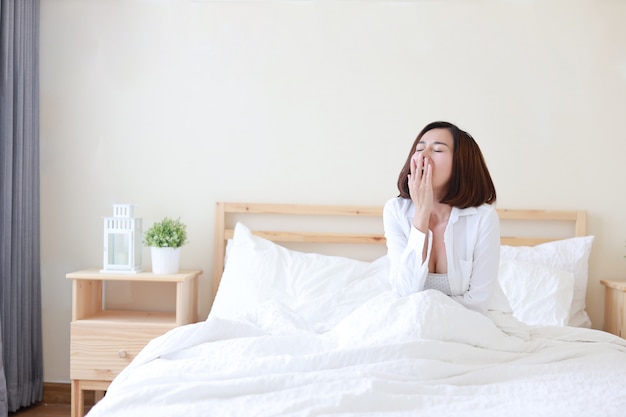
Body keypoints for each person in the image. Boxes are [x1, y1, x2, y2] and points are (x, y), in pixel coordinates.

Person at [383, 121, 510, 313]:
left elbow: (478, 302)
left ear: (461, 164)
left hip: (473, 324)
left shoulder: (483, 218)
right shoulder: (396, 211)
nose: (423, 155)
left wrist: (430, 313)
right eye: (419, 149)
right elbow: (404, 293)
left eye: (437, 150)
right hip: (414, 321)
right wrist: (421, 214)